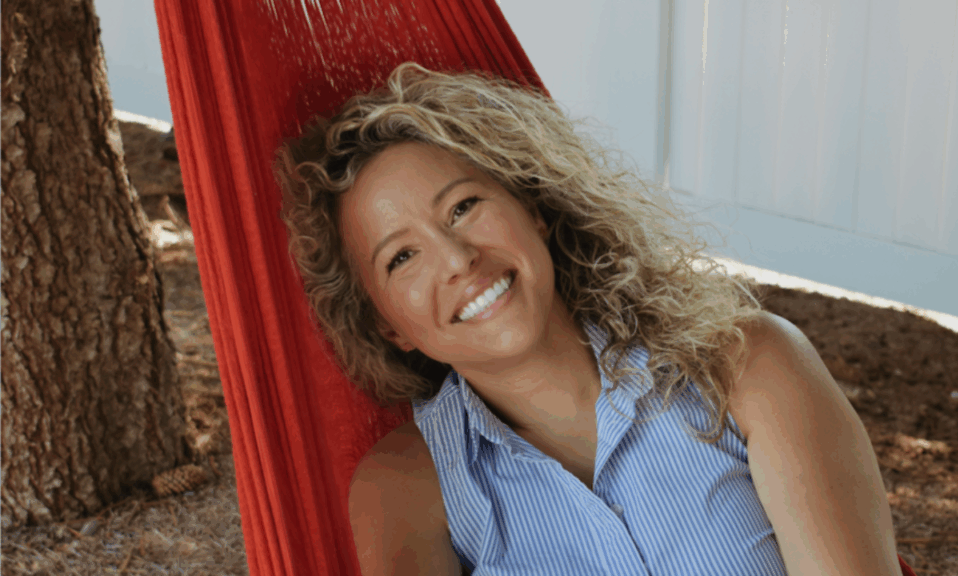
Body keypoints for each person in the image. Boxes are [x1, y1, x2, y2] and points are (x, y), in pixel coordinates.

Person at [274, 62, 904, 576]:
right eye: (402, 258)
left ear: (532, 209)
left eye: (463, 207)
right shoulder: (409, 489)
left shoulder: (746, 365)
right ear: (387, 326)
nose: (459, 260)